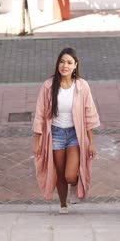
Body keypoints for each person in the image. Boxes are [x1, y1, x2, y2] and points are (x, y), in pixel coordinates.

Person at [32, 47, 100, 214]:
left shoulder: (82, 86)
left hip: (75, 135)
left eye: (69, 62)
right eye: (62, 62)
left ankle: (76, 185)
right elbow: (40, 114)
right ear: (57, 64)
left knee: (70, 176)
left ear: (75, 65)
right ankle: (63, 204)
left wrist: (91, 142)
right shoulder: (48, 86)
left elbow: (89, 114)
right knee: (60, 174)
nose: (65, 66)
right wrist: (37, 142)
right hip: (55, 134)